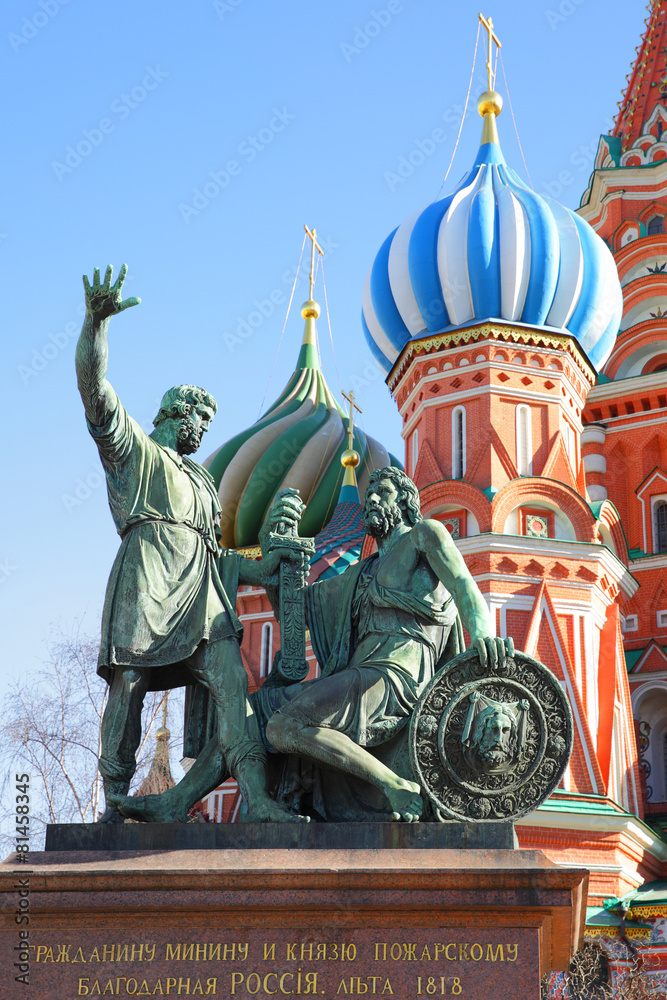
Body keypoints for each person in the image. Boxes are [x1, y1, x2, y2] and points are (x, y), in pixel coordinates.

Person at [112, 468, 512, 823]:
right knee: (249, 713)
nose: (371, 499)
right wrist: (278, 552)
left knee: (286, 724)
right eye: (368, 493)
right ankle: (176, 801)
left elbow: (463, 585)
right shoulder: (363, 571)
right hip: (364, 674)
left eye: (383, 492)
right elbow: (296, 609)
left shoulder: (425, 535)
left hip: (397, 676)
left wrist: (482, 635)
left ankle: (393, 785)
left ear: (406, 502)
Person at [76, 264, 302, 823]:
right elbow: (95, 393)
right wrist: (95, 325)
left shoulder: (202, 480)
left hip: (200, 595)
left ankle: (257, 798)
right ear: (178, 414)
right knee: (129, 687)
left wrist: (266, 568)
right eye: (201, 417)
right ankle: (113, 803)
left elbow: (217, 556)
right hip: (148, 579)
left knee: (232, 683)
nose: (205, 429)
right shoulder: (136, 453)